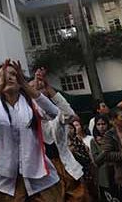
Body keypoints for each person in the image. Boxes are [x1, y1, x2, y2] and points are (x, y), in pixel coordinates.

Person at [0, 59, 62, 201]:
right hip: (9, 180)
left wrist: (26, 85)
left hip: (40, 177)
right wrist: (0, 86)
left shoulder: (31, 102)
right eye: (2, 75)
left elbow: (53, 112)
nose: (8, 77)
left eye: (13, 74)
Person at [29, 69, 89, 202]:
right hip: (44, 172)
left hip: (67, 168)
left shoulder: (57, 116)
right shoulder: (28, 117)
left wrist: (48, 87)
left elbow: (70, 114)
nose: (37, 88)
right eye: (32, 88)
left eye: (39, 87)